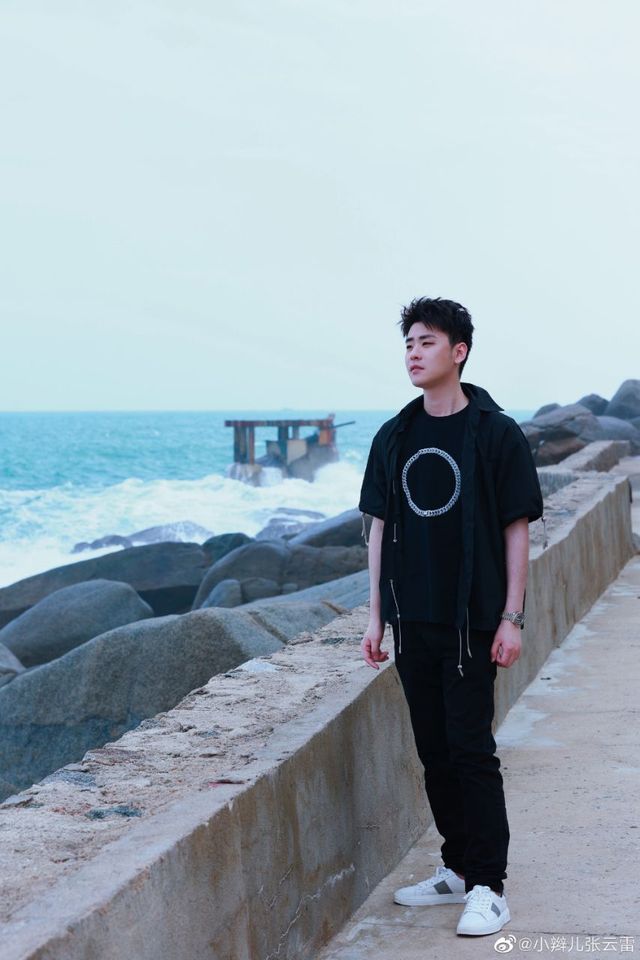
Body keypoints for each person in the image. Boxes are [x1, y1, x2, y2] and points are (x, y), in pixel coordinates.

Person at [357, 297, 544, 937]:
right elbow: (378, 528)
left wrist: (512, 617)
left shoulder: (495, 434)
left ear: (459, 352)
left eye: (427, 342)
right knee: (434, 752)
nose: (414, 352)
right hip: (414, 622)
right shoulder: (394, 435)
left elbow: (516, 528)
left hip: (472, 624)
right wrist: (376, 617)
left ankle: (489, 885)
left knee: (471, 751)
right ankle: (458, 868)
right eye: (409, 342)